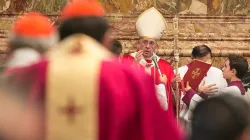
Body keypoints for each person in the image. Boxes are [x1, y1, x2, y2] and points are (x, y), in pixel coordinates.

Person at [8, 0, 183, 140]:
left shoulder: (26, 75)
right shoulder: (130, 77)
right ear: (106, 39)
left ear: (60, 35)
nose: (147, 46)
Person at [122, 7, 174, 114]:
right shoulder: (127, 60)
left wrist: (174, 86)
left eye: (151, 43)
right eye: (144, 42)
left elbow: (170, 97)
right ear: (138, 44)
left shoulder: (165, 66)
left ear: (156, 46)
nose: (147, 46)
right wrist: (135, 65)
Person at [173, 45, 227, 128]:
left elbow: (224, 96)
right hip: (187, 121)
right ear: (193, 58)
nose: (206, 65)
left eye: (208, 60)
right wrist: (197, 92)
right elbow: (176, 102)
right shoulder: (179, 72)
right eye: (201, 62)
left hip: (211, 121)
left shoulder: (218, 73)